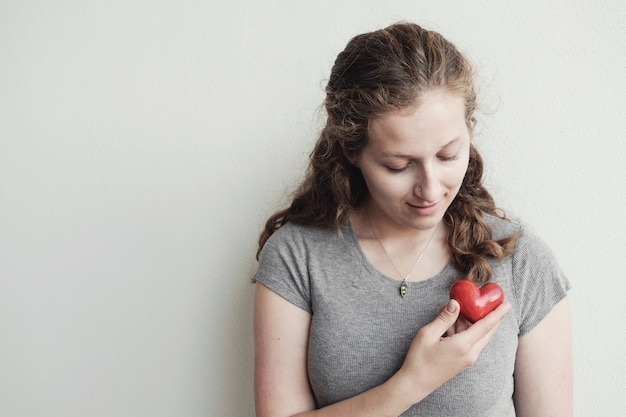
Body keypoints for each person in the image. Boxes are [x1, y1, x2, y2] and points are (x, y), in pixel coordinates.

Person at [253, 22, 572, 417]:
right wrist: (411, 384)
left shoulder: (521, 261)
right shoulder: (297, 256)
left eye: (448, 155)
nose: (430, 188)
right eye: (398, 165)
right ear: (352, 153)